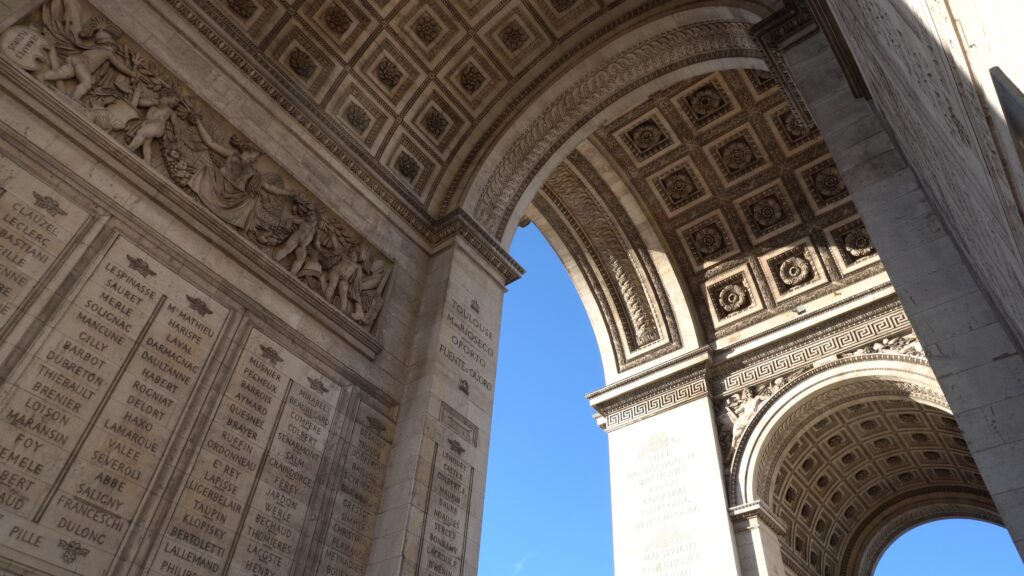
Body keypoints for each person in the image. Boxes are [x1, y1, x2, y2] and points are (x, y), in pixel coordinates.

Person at [187, 112, 291, 231]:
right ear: (249, 150)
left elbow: (270, 188)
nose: (256, 159)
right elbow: (210, 143)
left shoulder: (254, 172)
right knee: (206, 170)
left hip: (235, 197)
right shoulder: (232, 154)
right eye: (256, 155)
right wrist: (198, 123)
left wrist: (290, 193)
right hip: (218, 184)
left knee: (250, 202)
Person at [36, 29, 135, 100]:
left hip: (75, 59)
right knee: (86, 83)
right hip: (83, 64)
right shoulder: (107, 52)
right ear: (109, 45)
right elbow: (118, 65)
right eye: (114, 48)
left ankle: (42, 76)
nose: (114, 50)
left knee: (60, 73)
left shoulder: (94, 49)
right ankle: (73, 100)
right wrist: (131, 73)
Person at [127, 89, 179, 165]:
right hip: (150, 124)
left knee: (141, 133)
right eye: (176, 100)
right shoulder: (156, 102)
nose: (176, 104)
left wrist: (177, 133)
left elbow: (176, 124)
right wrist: (151, 102)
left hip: (157, 126)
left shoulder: (170, 111)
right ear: (169, 96)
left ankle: (129, 149)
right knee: (147, 143)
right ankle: (147, 161)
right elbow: (140, 103)